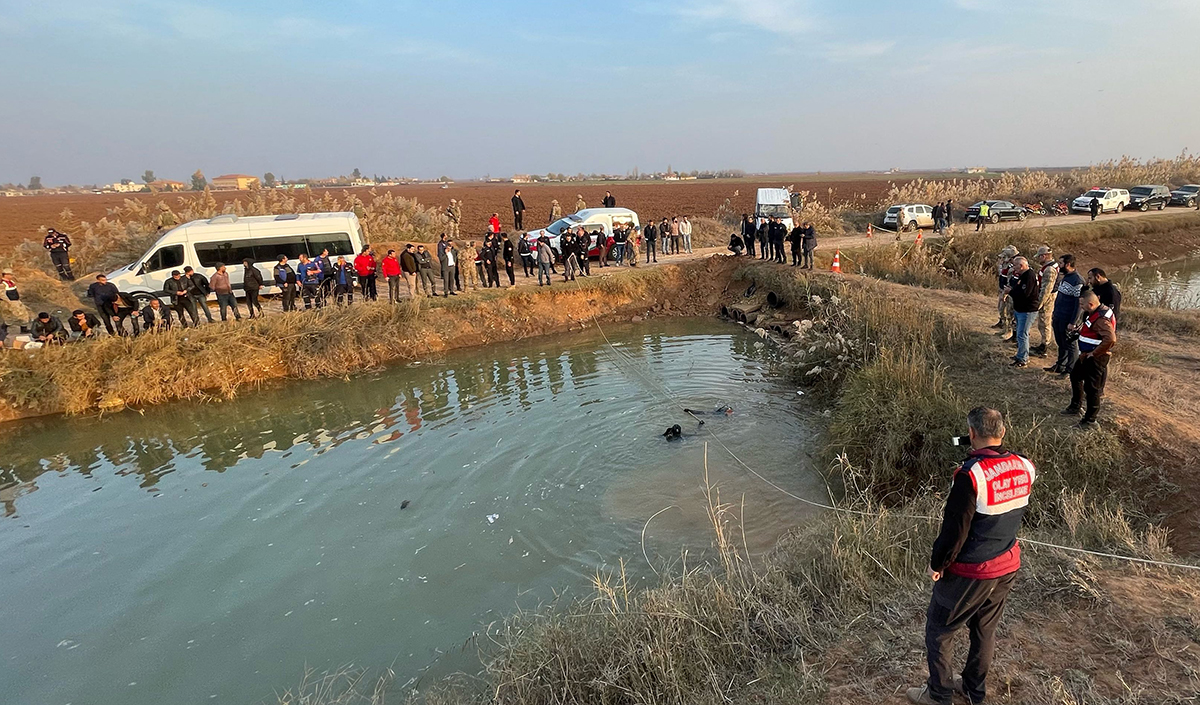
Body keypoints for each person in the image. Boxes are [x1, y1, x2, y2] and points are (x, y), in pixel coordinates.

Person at [907, 407, 1034, 705]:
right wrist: (971, 442)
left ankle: (939, 696)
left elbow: (955, 531)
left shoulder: (969, 475)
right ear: (1002, 432)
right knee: (984, 630)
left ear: (972, 434)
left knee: (939, 632)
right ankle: (974, 691)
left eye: (969, 434)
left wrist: (938, 564)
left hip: (971, 571)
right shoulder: (1025, 466)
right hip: (1007, 564)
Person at [1064, 291, 1116, 426]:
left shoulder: (1101, 319)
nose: (1080, 307)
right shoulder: (1096, 312)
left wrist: (1095, 353)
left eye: (1082, 304)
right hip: (1086, 355)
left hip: (1095, 358)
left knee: (1092, 388)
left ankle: (1090, 420)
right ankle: (1076, 406)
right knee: (1075, 376)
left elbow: (1110, 339)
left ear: (1091, 304)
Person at [1045, 254, 1085, 376]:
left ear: (1068, 265)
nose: (1059, 266)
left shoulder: (1078, 281)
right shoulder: (1066, 277)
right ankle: (1060, 365)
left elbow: (1078, 305)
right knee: (1060, 342)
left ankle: (1070, 369)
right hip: (1059, 315)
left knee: (1070, 345)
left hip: (1068, 318)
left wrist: (1073, 322)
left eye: (1061, 264)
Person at [1004, 257, 1039, 367]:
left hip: (1027, 310)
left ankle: (1023, 359)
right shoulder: (1023, 276)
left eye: (1015, 266)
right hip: (1021, 309)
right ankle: (1020, 355)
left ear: (1022, 266)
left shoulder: (1029, 276)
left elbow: (1025, 294)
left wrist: (1011, 292)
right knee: (1020, 334)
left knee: (1022, 334)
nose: (1014, 268)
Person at [1030, 246, 1058, 357]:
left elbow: (1047, 289)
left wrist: (1039, 303)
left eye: (1039, 257)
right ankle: (1043, 344)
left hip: (1048, 299)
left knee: (1044, 321)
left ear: (1044, 256)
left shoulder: (1049, 270)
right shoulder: (1050, 266)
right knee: (1043, 322)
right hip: (1049, 297)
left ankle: (1044, 346)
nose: (1038, 259)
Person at [991, 246, 1018, 338]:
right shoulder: (1005, 265)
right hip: (1004, 289)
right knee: (1002, 309)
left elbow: (1010, 281)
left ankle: (1010, 331)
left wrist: (1006, 293)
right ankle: (1004, 328)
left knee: (1009, 313)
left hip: (1010, 292)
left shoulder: (1014, 266)